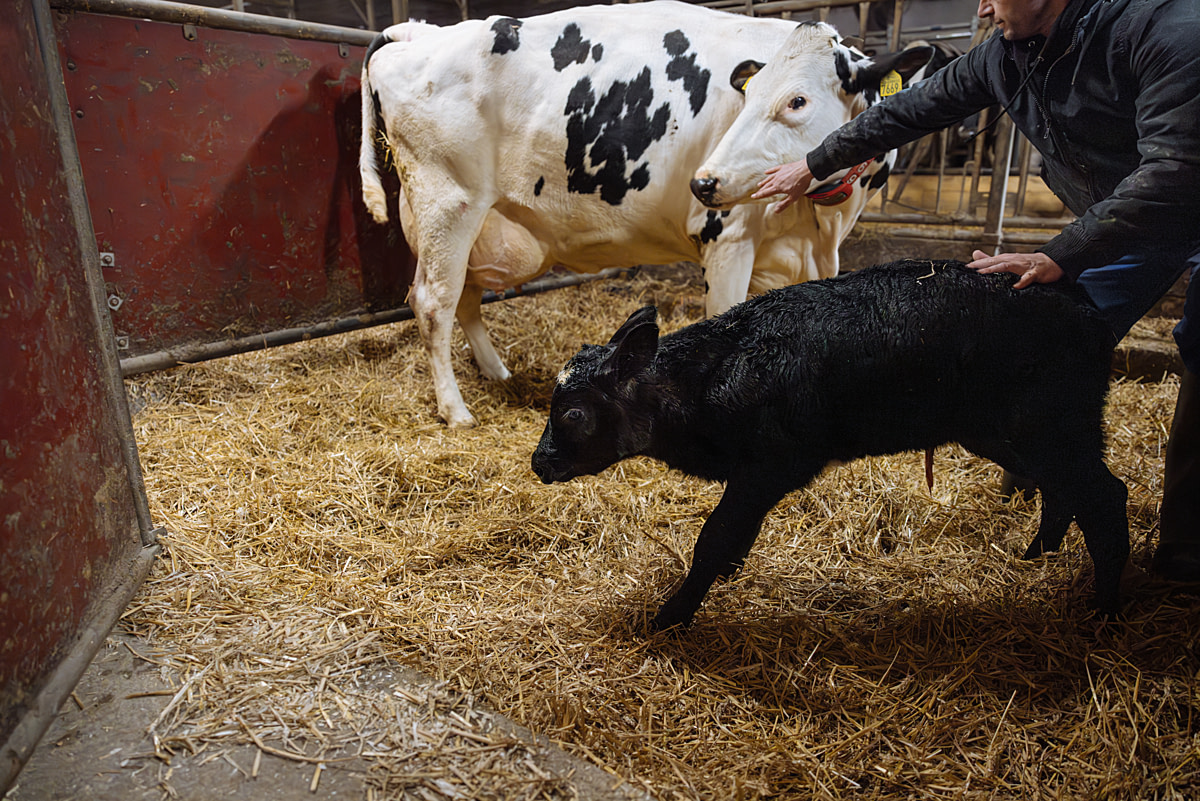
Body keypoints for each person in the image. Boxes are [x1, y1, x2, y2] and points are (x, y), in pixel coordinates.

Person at [753, 0, 1200, 582]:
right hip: (1130, 218)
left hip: (1176, 192)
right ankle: (1045, 471)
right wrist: (815, 164)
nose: (983, 7)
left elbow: (1177, 170)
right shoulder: (1010, 53)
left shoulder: (1171, 27)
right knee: (1039, 325)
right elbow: (911, 109)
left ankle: (1188, 553)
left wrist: (1058, 254)